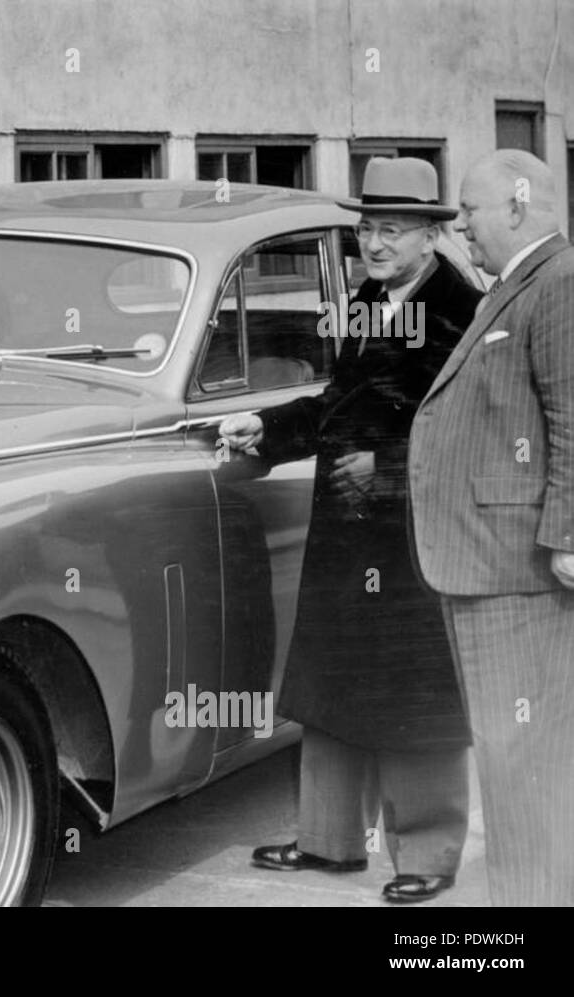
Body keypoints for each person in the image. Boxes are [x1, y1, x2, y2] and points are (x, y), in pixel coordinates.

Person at [220, 157, 481, 903]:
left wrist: (386, 468)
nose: (373, 242)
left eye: (392, 230)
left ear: (431, 236)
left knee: (416, 697)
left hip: (413, 536)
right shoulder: (371, 298)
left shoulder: (460, 310)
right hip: (348, 532)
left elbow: (467, 431)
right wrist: (264, 429)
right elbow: (338, 407)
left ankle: (427, 853)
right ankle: (329, 842)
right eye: (367, 227)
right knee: (332, 684)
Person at [409, 148, 574, 906]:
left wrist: (569, 537)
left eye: (469, 211)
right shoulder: (516, 286)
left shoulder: (559, 283)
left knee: (524, 765)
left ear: (516, 202)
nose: (459, 227)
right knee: (512, 763)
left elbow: (573, 418)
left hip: (518, 575)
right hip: (487, 567)